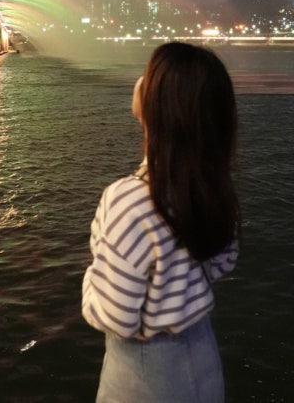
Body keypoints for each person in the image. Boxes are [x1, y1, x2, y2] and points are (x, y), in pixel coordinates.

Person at [82, 42, 240, 402]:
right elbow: (222, 263)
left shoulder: (129, 200)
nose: (138, 81)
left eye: (148, 76)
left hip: (145, 376)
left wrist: (93, 277)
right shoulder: (214, 188)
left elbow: (117, 317)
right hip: (203, 357)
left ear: (162, 106)